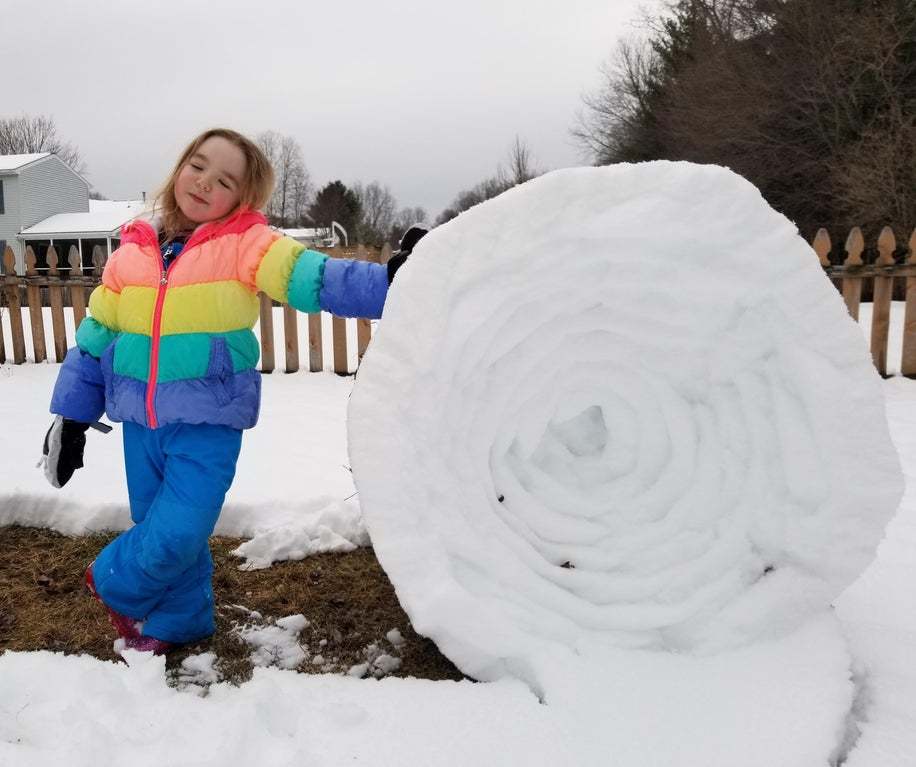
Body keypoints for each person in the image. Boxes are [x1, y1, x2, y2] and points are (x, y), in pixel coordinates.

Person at [39, 127, 427, 654]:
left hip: (208, 421)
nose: (203, 183)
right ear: (180, 167)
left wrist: (392, 284)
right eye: (197, 165)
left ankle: (113, 582)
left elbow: (312, 277)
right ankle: (179, 622)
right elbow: (95, 338)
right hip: (140, 424)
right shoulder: (131, 250)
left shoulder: (246, 244)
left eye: (223, 180)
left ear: (241, 198)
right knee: (162, 529)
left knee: (175, 533)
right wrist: (71, 415)